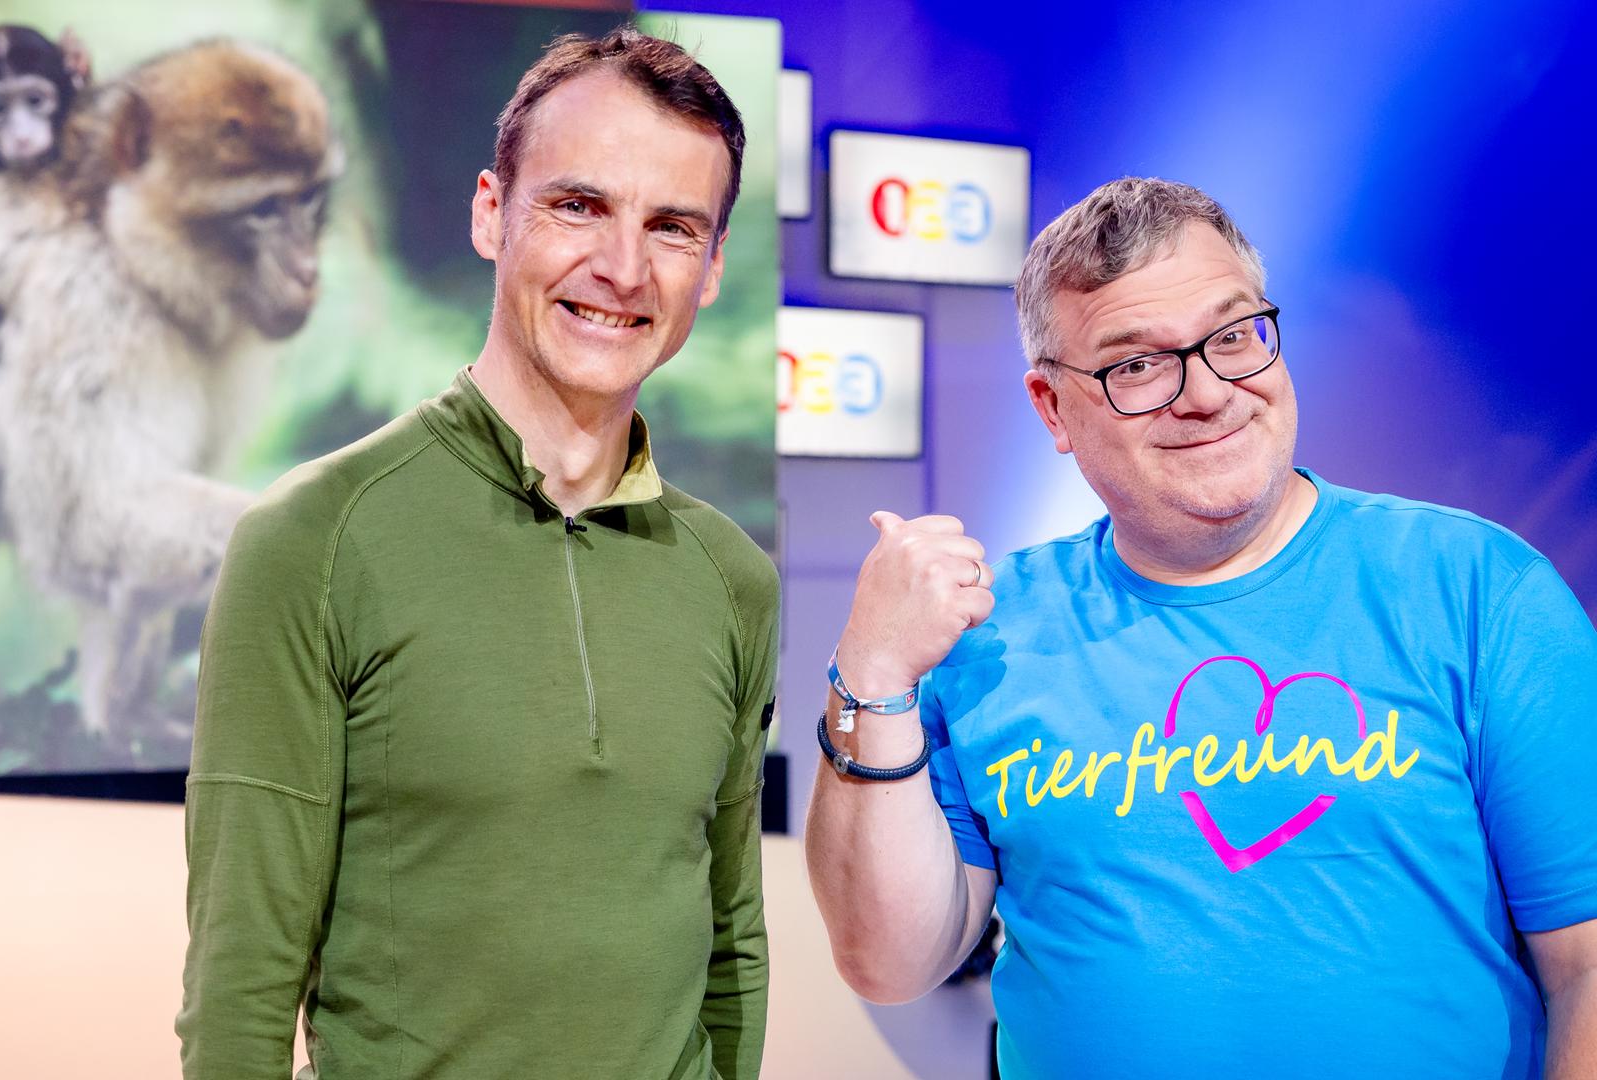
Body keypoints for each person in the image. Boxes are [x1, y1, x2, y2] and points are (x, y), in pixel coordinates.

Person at [806, 177, 1597, 1078]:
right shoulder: (990, 632)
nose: (1209, 393)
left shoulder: (1479, 591)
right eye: (1137, 364)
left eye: (1233, 337)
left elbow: (1589, 966)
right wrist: (869, 666)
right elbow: (889, 962)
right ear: (1052, 407)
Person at [176, 27, 777, 1080]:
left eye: (673, 227)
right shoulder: (314, 537)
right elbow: (241, 982)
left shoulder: (732, 579)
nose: (623, 268)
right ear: (492, 213)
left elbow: (731, 938)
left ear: (714, 268)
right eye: (578, 205)